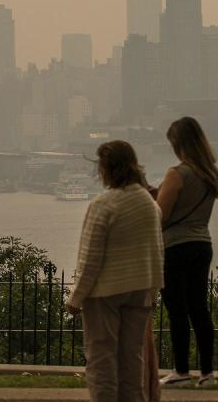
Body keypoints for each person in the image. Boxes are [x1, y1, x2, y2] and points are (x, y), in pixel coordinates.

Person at [67, 140, 164, 402]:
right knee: (133, 360)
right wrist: (153, 291)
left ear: (106, 169)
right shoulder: (149, 204)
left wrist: (76, 297)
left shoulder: (104, 205)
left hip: (105, 294)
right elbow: (157, 252)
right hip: (140, 291)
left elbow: (90, 258)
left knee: (102, 360)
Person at [156, 116, 218, 388]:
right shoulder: (210, 174)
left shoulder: (177, 173)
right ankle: (207, 373)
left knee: (176, 310)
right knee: (199, 308)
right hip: (202, 244)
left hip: (175, 247)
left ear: (179, 144)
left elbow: (160, 215)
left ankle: (181, 370)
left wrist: (151, 195)